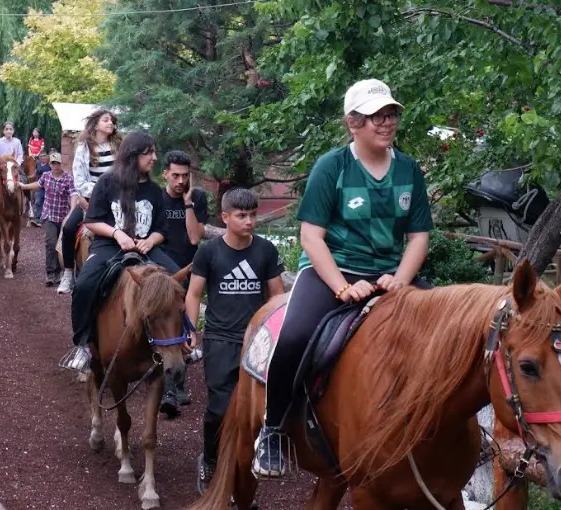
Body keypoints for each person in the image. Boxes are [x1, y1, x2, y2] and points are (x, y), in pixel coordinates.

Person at [253, 78, 434, 478]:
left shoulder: (408, 169)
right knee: (296, 334)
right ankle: (273, 430)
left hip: (390, 275)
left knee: (447, 335)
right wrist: (342, 287)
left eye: (390, 115)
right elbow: (311, 237)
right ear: (352, 123)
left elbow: (419, 236)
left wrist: (401, 279)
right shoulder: (331, 167)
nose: (386, 123)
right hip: (332, 270)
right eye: (375, 117)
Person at [185, 188, 285, 495]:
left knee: (255, 412)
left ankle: (246, 471)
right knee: (218, 408)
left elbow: (278, 297)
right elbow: (193, 293)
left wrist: (279, 334)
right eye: (242, 216)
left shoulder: (266, 251)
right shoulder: (209, 251)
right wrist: (191, 328)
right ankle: (210, 459)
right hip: (219, 339)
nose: (250, 221)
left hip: (257, 342)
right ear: (225, 217)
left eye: (253, 214)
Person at [62, 131, 180, 372]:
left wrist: (150, 240)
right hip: (109, 246)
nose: (155, 158)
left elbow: (162, 230)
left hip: (145, 249)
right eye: (150, 153)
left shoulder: (154, 190)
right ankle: (82, 345)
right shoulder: (107, 182)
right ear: (133, 155)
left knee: (180, 278)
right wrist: (117, 233)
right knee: (84, 285)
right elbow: (92, 221)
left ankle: (182, 341)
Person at [157, 150, 209, 416]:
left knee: (184, 327)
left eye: (185, 176)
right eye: (175, 175)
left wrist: (188, 204)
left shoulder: (197, 198)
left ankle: (175, 386)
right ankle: (168, 388)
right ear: (165, 173)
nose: (180, 181)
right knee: (166, 328)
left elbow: (194, 238)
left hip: (188, 271)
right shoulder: (157, 198)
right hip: (161, 273)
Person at [58, 109, 122, 295]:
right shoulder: (84, 148)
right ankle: (68, 273)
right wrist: (100, 192)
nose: (111, 123)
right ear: (95, 124)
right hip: (90, 200)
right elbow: (79, 181)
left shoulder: (118, 147)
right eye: (106, 120)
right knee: (69, 228)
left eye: (112, 121)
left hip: (118, 200)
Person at [20, 153, 77, 286]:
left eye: (58, 163)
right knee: (50, 244)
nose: (56, 166)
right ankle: (51, 274)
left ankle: (61, 272)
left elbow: (74, 194)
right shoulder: (46, 176)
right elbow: (37, 184)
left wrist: (72, 213)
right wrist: (23, 186)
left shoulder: (68, 179)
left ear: (61, 164)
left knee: (62, 246)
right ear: (50, 164)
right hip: (50, 216)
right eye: (53, 163)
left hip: (63, 217)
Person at [31, 152, 51, 227]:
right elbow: (35, 173)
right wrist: (30, 177)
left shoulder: (49, 165)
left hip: (48, 187)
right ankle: (37, 219)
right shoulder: (38, 164)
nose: (42, 157)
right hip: (39, 186)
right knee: (38, 201)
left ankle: (45, 219)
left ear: (47, 157)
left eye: (44, 156)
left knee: (47, 202)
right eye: (41, 156)